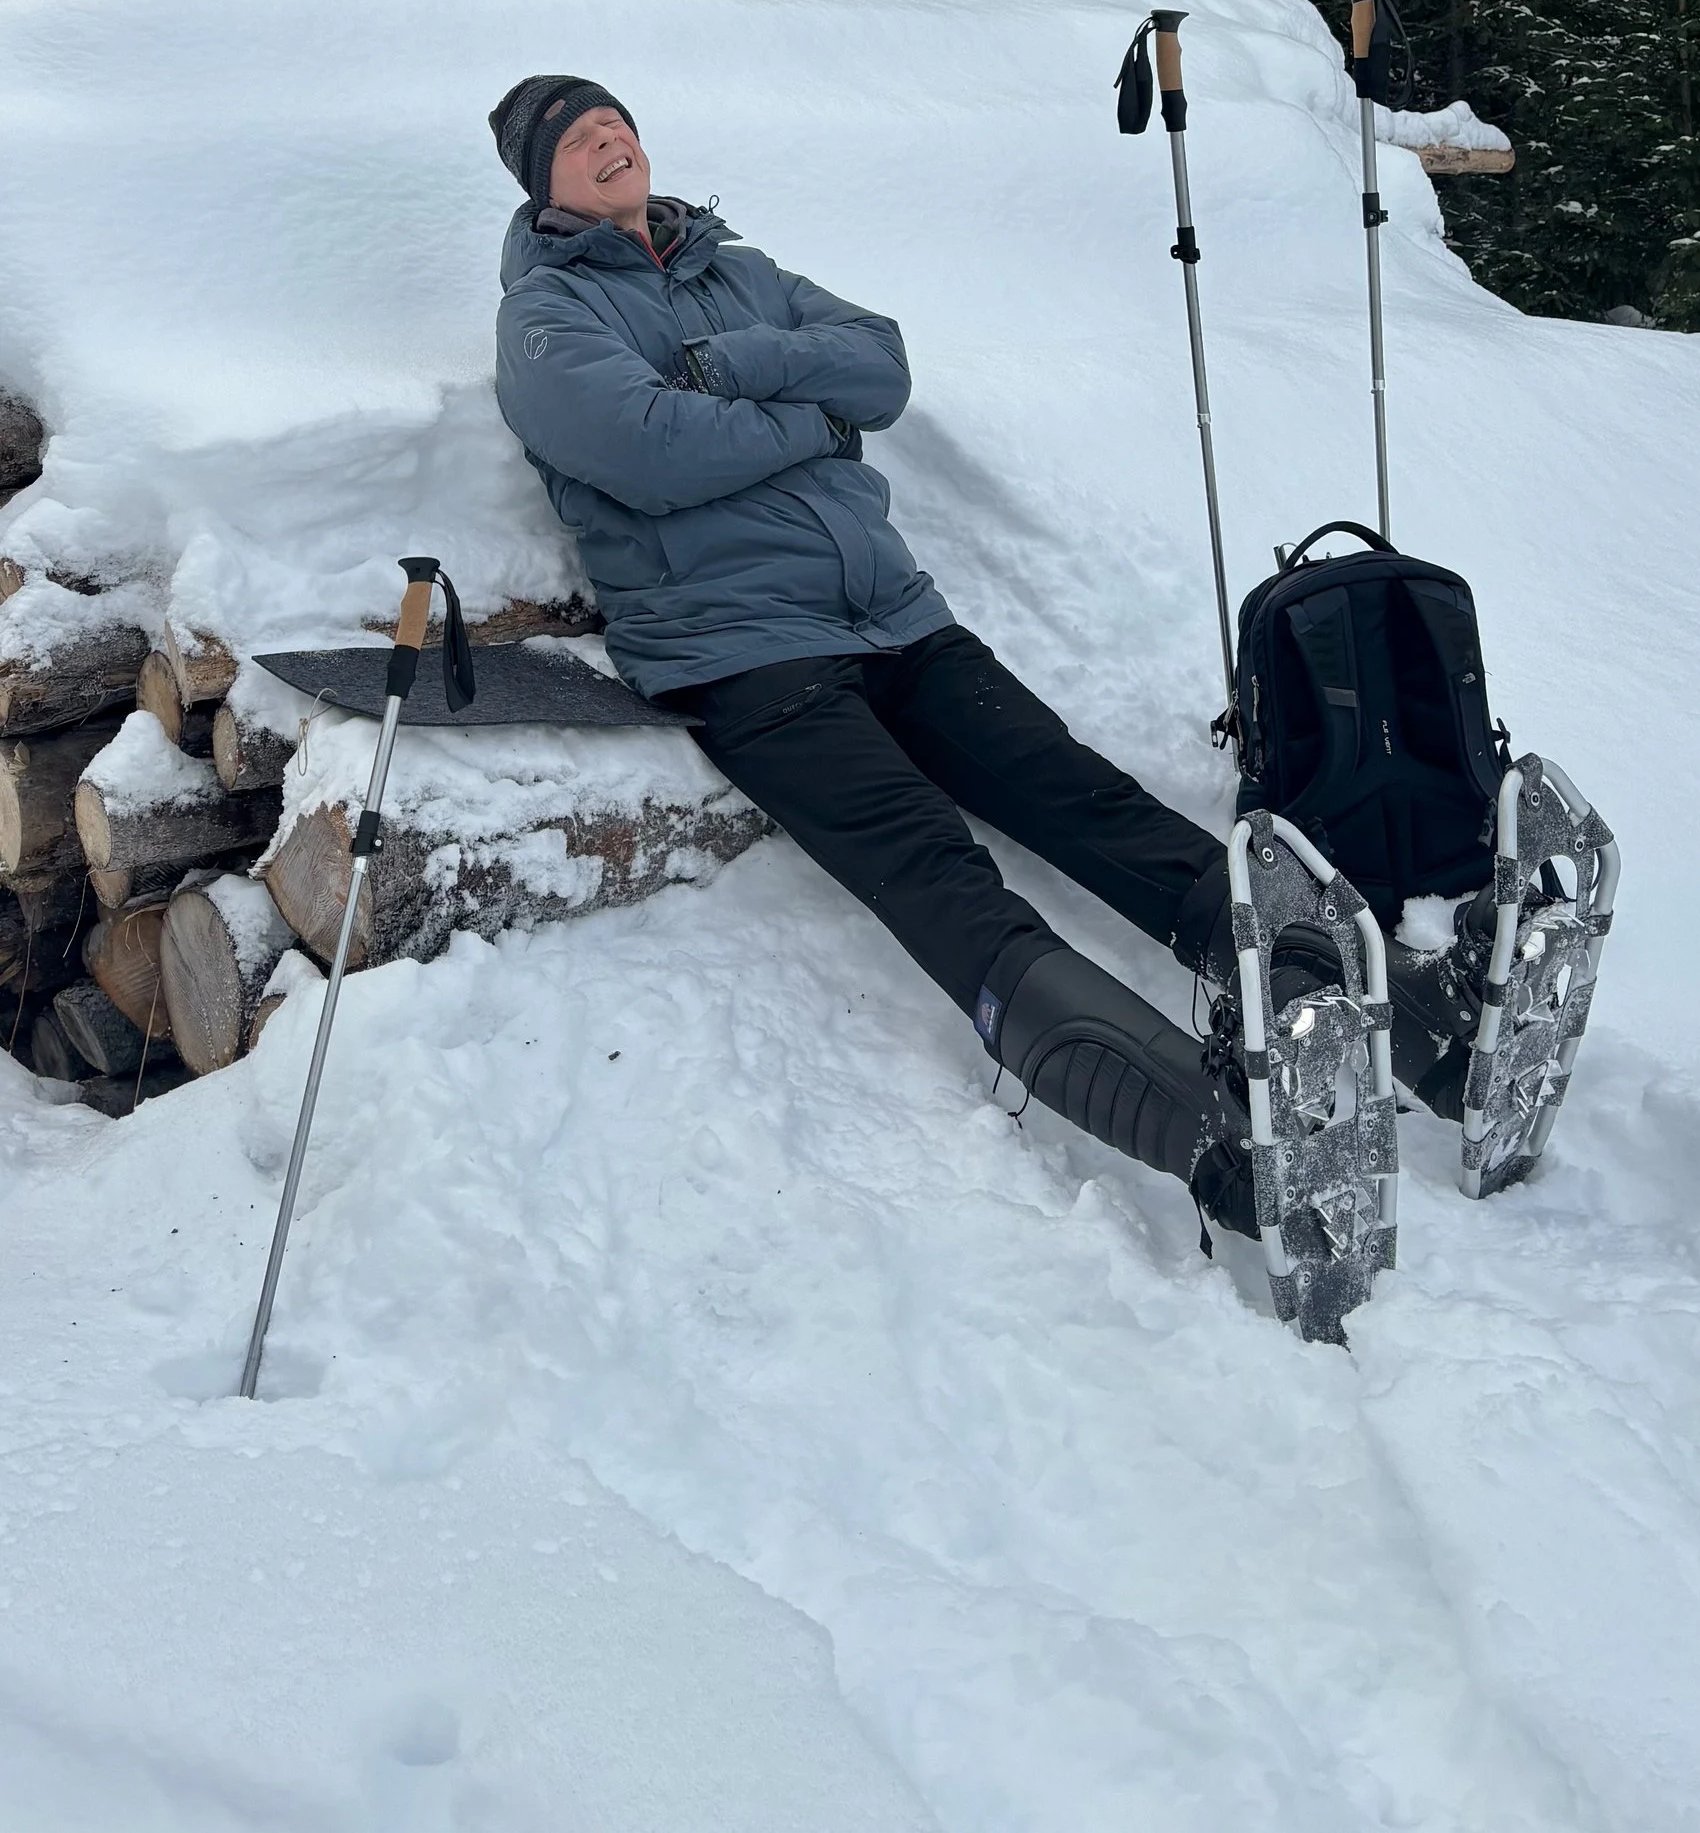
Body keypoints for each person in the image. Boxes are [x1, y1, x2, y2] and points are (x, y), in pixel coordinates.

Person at [486, 75, 1481, 1268]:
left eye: (616, 121)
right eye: (575, 137)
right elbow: (652, 452)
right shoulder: (545, 320)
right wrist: (810, 419)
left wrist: (729, 365)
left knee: (1088, 799)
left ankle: (1417, 1030)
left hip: (895, 618)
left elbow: (880, 367)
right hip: (742, 652)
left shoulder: (733, 270)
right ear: (542, 185)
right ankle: (1226, 1150)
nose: (608, 138)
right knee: (936, 873)